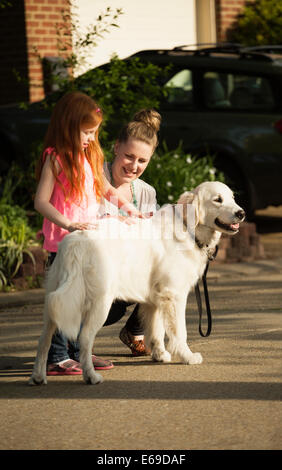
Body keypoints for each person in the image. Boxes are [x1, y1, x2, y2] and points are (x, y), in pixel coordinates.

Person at [34, 91, 143, 376]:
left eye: (94, 132)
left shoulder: (89, 156)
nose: (91, 138)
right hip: (63, 243)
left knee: (86, 299)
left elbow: (105, 189)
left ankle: (80, 350)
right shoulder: (56, 158)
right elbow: (41, 201)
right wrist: (68, 224)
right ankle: (57, 355)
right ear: (69, 127)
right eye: (87, 132)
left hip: (90, 242)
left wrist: (128, 209)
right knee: (65, 298)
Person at [101, 108, 161, 356]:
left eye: (142, 161)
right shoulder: (94, 177)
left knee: (166, 273)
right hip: (96, 270)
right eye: (129, 156)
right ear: (116, 147)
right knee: (106, 312)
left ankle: (136, 330)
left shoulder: (146, 192)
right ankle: (71, 344)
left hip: (128, 272)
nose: (134, 166)